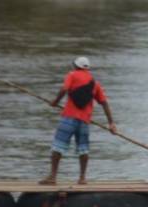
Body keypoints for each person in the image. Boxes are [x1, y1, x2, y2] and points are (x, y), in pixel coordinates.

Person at [40, 56, 117, 185]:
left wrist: (55, 102)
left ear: (75, 66)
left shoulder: (72, 75)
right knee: (83, 149)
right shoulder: (95, 83)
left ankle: (52, 177)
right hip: (84, 121)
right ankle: (82, 178)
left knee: (58, 147)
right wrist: (111, 123)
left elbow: (64, 89)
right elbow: (104, 103)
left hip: (69, 118)